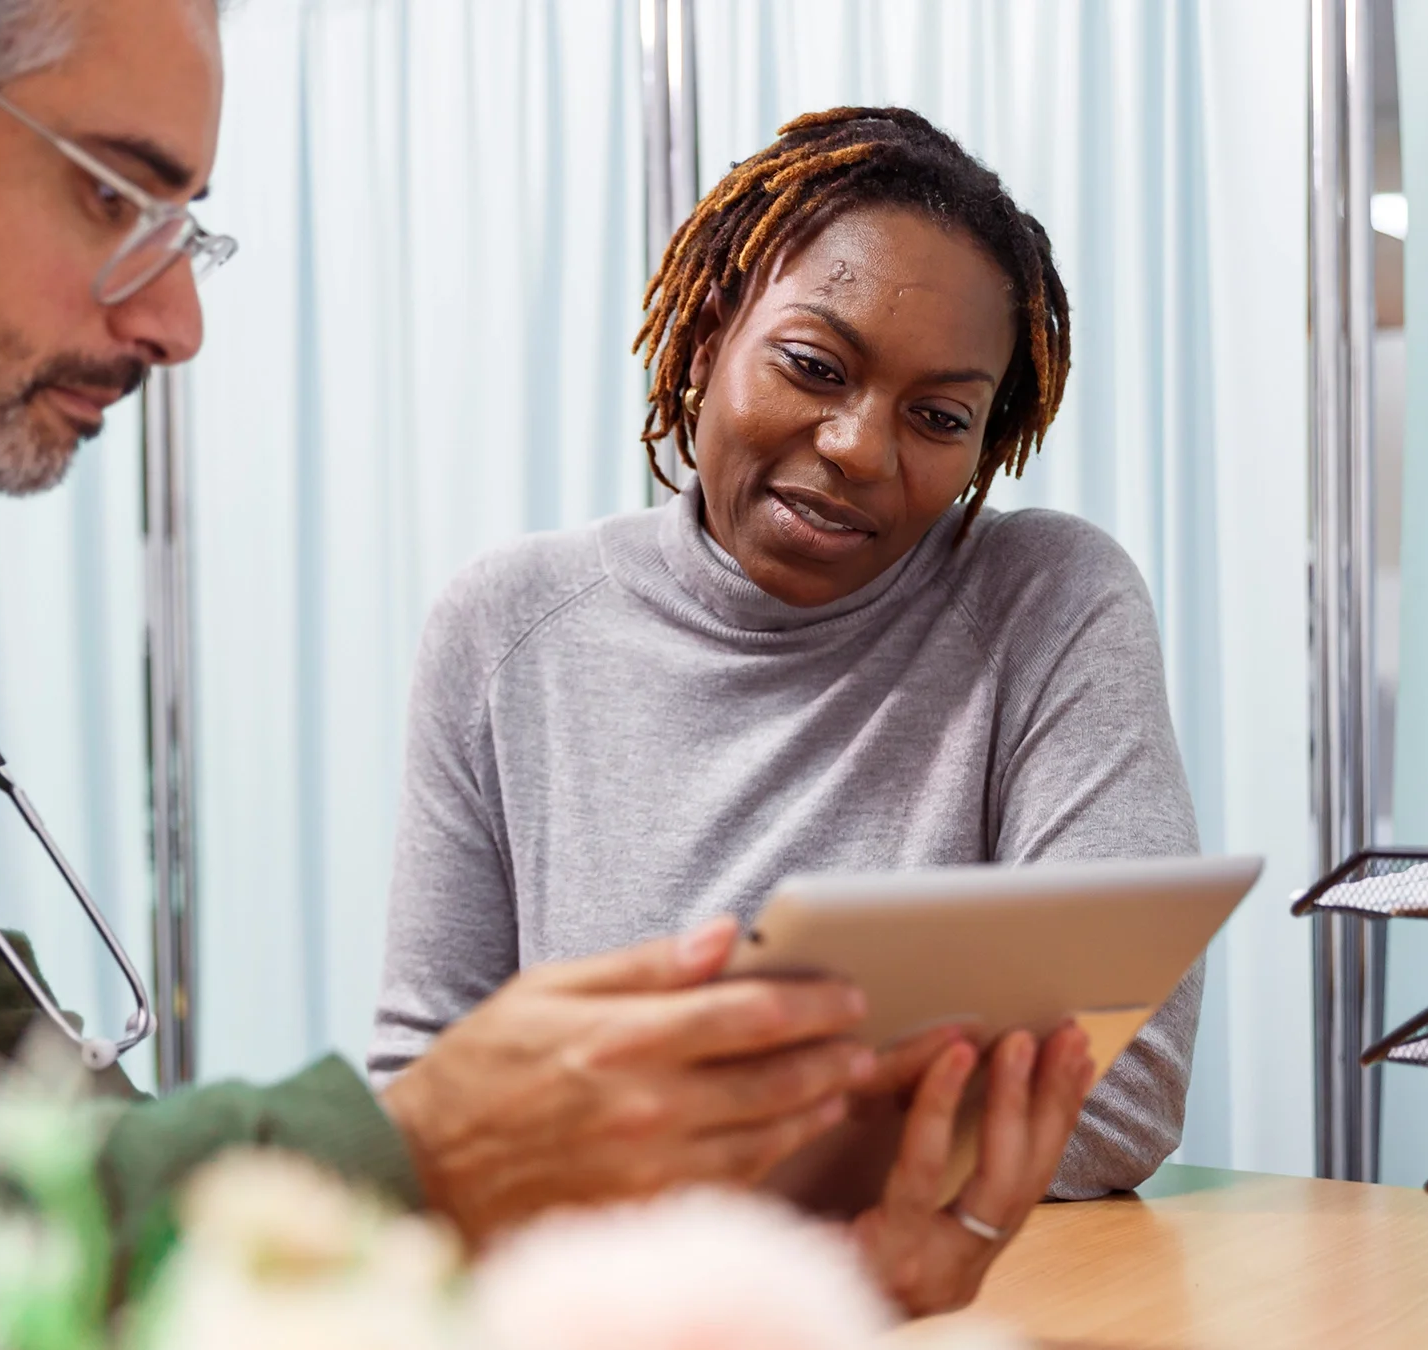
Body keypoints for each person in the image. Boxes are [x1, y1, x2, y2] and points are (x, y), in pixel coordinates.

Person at [0, 6, 1086, 1346]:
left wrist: (767, 1302)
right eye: (121, 199)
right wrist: (413, 1153)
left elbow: (71, 1189)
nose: (177, 320)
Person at [371, 107, 1205, 1306]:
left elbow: (1115, 1097)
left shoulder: (1050, 603)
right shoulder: (505, 627)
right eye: (815, 365)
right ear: (710, 336)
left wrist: (618, 1141)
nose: (861, 447)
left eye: (939, 417)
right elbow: (427, 1108)